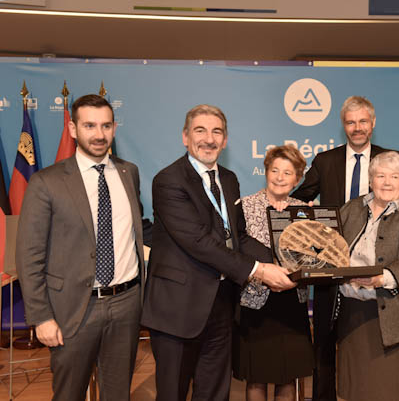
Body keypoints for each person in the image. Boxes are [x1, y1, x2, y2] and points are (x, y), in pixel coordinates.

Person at [141, 104, 295, 401]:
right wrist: (260, 271)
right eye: (200, 131)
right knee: (172, 393)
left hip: (222, 304)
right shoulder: (169, 180)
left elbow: (235, 236)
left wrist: (281, 262)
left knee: (214, 392)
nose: (209, 139)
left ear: (225, 140)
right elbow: (198, 241)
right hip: (178, 309)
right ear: (185, 137)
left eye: (217, 132)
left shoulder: (228, 178)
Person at [291, 95, 399, 401]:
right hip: (333, 267)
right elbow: (300, 197)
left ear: (373, 124)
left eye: (363, 121)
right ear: (343, 125)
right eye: (351, 122)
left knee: (370, 343)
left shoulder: (391, 159)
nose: (357, 128)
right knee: (324, 342)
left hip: (381, 269)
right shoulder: (325, 161)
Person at [15, 94, 145, 401]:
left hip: (126, 303)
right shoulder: (47, 182)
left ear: (114, 128)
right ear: (73, 129)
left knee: (118, 394)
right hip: (73, 309)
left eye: (106, 125)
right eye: (89, 125)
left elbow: (134, 231)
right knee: (69, 394)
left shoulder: (129, 172)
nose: (99, 134)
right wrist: (41, 316)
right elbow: (29, 255)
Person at [334, 151, 399, 401]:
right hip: (355, 316)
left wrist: (380, 279)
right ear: (371, 180)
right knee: (359, 390)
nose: (387, 182)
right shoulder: (350, 209)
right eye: (380, 176)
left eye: (395, 176)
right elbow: (330, 247)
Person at [233, 145, 314, 401]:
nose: (280, 177)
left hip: (292, 303)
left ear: (297, 178)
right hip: (255, 305)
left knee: (287, 376)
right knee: (256, 377)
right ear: (266, 172)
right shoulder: (244, 206)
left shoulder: (305, 210)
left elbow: (314, 258)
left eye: (287, 172)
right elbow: (234, 255)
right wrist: (261, 274)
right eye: (274, 170)